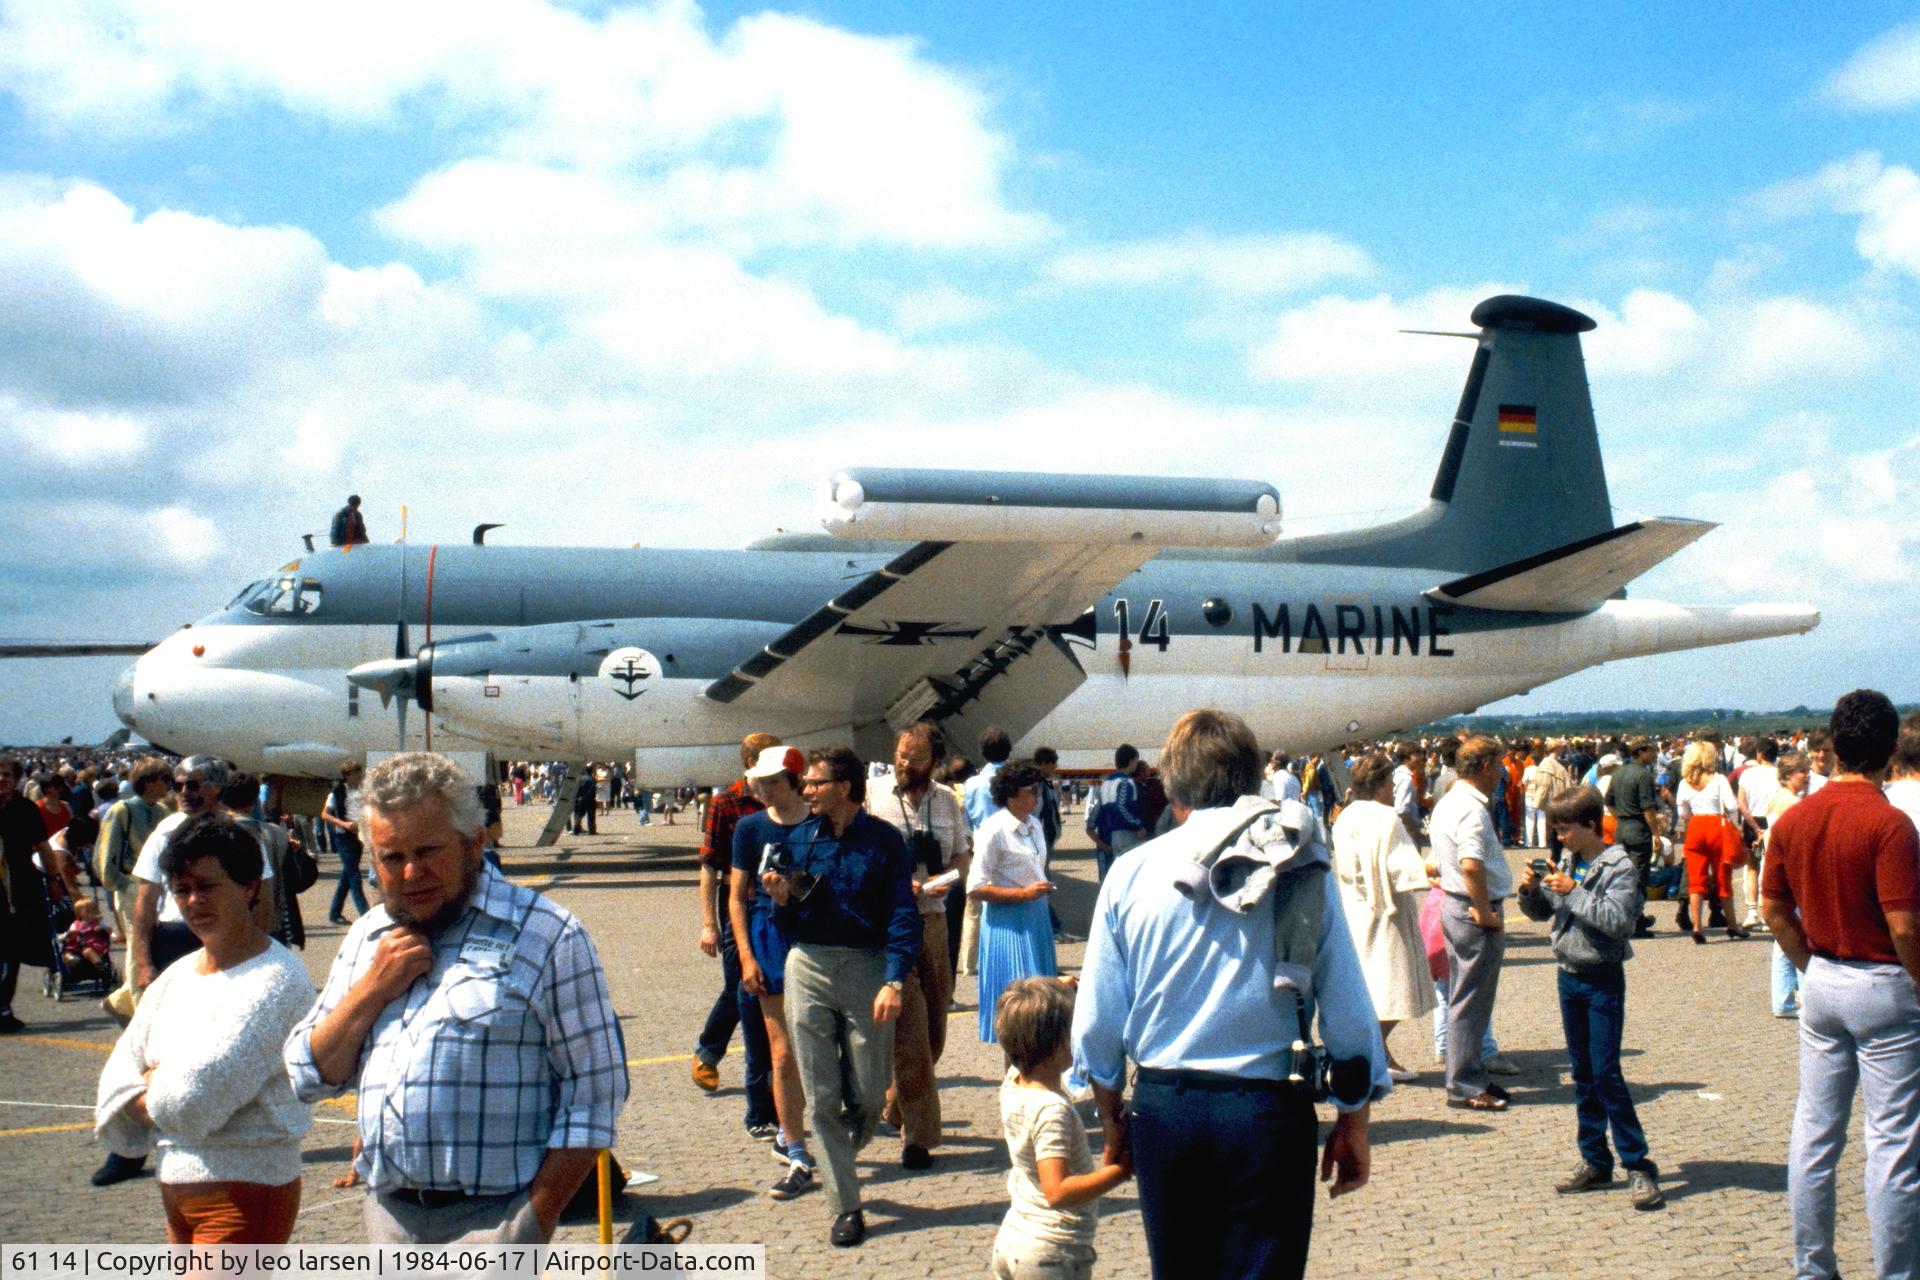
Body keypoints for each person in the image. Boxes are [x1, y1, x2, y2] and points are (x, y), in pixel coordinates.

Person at [1073, 710, 1387, 1280]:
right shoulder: (1300, 866)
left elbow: (1097, 1020)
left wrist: (1112, 1116)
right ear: (1252, 778)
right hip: (1267, 1111)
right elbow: (1348, 1008)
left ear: (1172, 785)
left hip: (1167, 1110)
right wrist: (1354, 1119)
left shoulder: (1129, 873)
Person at [286, 752, 628, 1244]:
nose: (411, 873)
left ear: (474, 844)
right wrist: (372, 989)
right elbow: (307, 1075)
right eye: (392, 857)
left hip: (496, 1223)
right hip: (389, 1219)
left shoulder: (548, 934)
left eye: (428, 851)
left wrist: (531, 1222)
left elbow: (595, 1091)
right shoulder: (368, 938)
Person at [94, 813, 316, 1242]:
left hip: (245, 1191)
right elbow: (115, 1079)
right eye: (182, 890)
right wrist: (158, 1086)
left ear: (249, 887)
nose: (194, 901)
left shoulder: (277, 981)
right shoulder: (177, 976)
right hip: (175, 1188)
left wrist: (149, 1085)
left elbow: (191, 1100)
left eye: (207, 886)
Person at [1761, 690, 1920, 1280]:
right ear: (1889, 750)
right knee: (1892, 1143)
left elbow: (1773, 909)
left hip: (1823, 979)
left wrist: (1808, 964)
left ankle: (1813, 1267)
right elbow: (1904, 926)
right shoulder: (1890, 823)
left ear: (1834, 744)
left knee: (1815, 1133)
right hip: (1882, 981)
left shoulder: (1795, 818)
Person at [761, 747, 917, 1247]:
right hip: (808, 964)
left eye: (815, 782)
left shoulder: (885, 841)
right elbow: (785, 917)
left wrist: (894, 979)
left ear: (844, 787)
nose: (805, 790)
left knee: (871, 1093)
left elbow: (902, 912)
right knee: (822, 1096)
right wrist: (780, 900)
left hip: (867, 967)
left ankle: (835, 1160)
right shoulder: (799, 839)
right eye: (805, 783)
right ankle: (846, 1206)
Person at [1516, 786, 1664, 1211]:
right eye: (1556, 830)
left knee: (1606, 1075)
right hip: (1568, 976)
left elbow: (1618, 921)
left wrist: (1572, 891)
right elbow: (1544, 912)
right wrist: (1532, 891)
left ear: (1590, 824)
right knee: (1582, 1074)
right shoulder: (1569, 860)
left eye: (1565, 829)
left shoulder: (1619, 866)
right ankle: (1595, 1159)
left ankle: (1638, 1165)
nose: (1559, 837)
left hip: (1602, 979)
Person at [875, 722, 969, 1171]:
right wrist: (896, 885)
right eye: (900, 755)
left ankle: (894, 1105)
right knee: (909, 1031)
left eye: (914, 758)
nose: (904, 763)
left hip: (934, 921)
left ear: (934, 762)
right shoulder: (874, 797)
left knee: (934, 1029)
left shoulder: (947, 801)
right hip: (891, 925)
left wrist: (951, 878)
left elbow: (962, 853)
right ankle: (919, 1137)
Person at [992, 978, 1131, 1280]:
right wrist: (1120, 1172)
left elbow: (1021, 1026)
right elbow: (1056, 1191)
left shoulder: (1013, 1082)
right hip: (1050, 1252)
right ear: (1063, 1043)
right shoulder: (1051, 1110)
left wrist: (1056, 990)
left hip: (1015, 1237)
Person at [729, 745, 818, 1200]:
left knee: (817, 1045)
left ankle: (799, 1128)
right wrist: (746, 958)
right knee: (781, 1049)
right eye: (759, 781)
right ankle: (794, 1145)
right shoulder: (750, 827)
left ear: (794, 781)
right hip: (768, 936)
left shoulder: (819, 825)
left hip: (816, 933)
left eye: (772, 781)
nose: (763, 788)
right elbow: (735, 896)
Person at [692, 734, 778, 1146]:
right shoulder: (726, 802)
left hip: (776, 905)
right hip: (738, 903)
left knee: (767, 989)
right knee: (738, 987)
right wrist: (709, 923)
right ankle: (709, 1053)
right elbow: (709, 866)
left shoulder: (785, 796)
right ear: (749, 763)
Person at [130, 758, 277, 996]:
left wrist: (256, 953)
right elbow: (145, 903)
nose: (183, 793)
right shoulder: (164, 834)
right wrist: (145, 963)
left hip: (228, 936)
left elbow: (263, 898)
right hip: (175, 940)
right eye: (177, 786)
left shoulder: (240, 835)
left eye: (192, 785)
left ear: (217, 787)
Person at [1331, 753, 1435, 1081]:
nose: (1392, 789)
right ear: (1378, 785)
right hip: (1387, 911)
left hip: (1355, 907)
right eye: (1390, 783)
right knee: (1395, 986)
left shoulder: (1345, 816)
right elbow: (1402, 866)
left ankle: (1376, 1052)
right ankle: (1375, 1052)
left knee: (1371, 983)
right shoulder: (1386, 817)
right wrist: (1434, 868)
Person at [1432, 736, 1515, 1111]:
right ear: (1483, 767)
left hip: (1455, 904)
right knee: (1471, 1001)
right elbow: (1471, 864)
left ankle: (1471, 1074)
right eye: (1497, 765)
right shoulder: (1471, 809)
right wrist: (1483, 910)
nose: (1500, 773)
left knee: (1464, 997)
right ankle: (1464, 1084)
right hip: (1472, 909)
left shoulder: (1450, 800)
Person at [970, 760, 1059, 1046]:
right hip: (1008, 923)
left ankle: (1036, 1067)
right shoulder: (994, 829)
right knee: (1017, 1012)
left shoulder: (1035, 824)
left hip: (1036, 918)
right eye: (1031, 790)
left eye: (1038, 789)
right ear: (1011, 795)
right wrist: (1022, 894)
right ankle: (1014, 1068)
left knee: (1041, 1009)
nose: (1037, 795)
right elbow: (975, 887)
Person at [1675, 741, 1748, 943]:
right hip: (1717, 826)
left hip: (1695, 827)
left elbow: (1682, 812)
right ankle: (1732, 925)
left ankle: (1697, 926)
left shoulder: (1684, 782)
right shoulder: (1718, 779)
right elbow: (1731, 806)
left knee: (1696, 880)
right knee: (1723, 879)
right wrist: (1735, 825)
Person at [1764, 752, 1812, 1019]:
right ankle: (1806, 997)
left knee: (1783, 936)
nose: (1806, 775)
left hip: (1778, 872)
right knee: (1800, 933)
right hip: (1792, 874)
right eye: (1801, 771)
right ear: (1788, 775)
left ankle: (1783, 999)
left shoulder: (1777, 799)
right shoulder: (1792, 804)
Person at [1607, 737, 1660, 937]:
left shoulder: (1618, 772)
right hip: (1638, 829)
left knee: (1622, 875)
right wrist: (1656, 833)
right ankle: (1635, 920)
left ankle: (1632, 916)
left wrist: (1621, 816)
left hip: (1622, 828)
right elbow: (1648, 808)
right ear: (1641, 751)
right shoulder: (1643, 775)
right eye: (1651, 750)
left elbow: (1608, 801)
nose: (1654, 754)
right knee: (1638, 877)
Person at [319, 765, 369, 924]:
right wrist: (343, 824)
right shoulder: (336, 793)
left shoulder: (362, 791)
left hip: (358, 836)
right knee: (355, 877)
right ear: (347, 775)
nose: (359, 776)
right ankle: (366, 915)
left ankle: (335, 913)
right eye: (356, 773)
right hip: (343, 838)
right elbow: (324, 814)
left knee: (347, 877)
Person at [1089, 745, 1148, 879]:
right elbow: (1122, 807)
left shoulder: (1107, 782)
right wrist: (1138, 826)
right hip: (1127, 833)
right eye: (1136, 760)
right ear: (1131, 760)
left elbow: (1100, 810)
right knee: (1132, 874)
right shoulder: (1126, 782)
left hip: (1113, 835)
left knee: (1119, 874)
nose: (1136, 764)